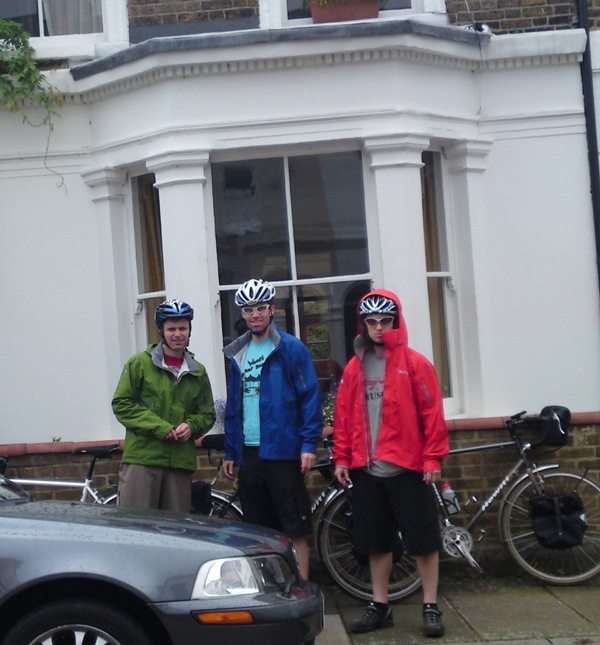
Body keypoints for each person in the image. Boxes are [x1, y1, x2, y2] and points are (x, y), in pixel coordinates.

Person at [332, 289, 449, 638]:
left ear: (395, 321)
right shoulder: (355, 367)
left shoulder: (416, 364)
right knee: (374, 541)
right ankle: (379, 606)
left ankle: (430, 605)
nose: (379, 327)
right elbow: (343, 416)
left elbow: (433, 415)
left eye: (385, 321)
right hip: (367, 469)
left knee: (424, 540)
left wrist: (433, 458)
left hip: (410, 468)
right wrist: (341, 456)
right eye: (372, 321)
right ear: (363, 324)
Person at [222, 278, 322, 579]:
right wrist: (231, 451)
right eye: (249, 309)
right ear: (243, 313)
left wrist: (308, 445)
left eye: (261, 308)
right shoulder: (237, 353)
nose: (255, 315)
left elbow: (310, 397)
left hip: (283, 450)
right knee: (258, 530)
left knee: (294, 526)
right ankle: (268, 588)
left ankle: (302, 585)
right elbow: (234, 406)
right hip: (250, 452)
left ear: (272, 310)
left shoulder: (291, 349)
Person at [113, 299, 216, 513]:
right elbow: (122, 404)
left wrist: (191, 425)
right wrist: (160, 427)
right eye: (171, 329)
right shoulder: (139, 363)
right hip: (143, 460)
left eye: (182, 328)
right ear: (161, 330)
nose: (177, 334)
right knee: (138, 528)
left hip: (179, 463)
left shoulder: (198, 371)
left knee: (176, 533)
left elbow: (207, 414)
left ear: (189, 331)